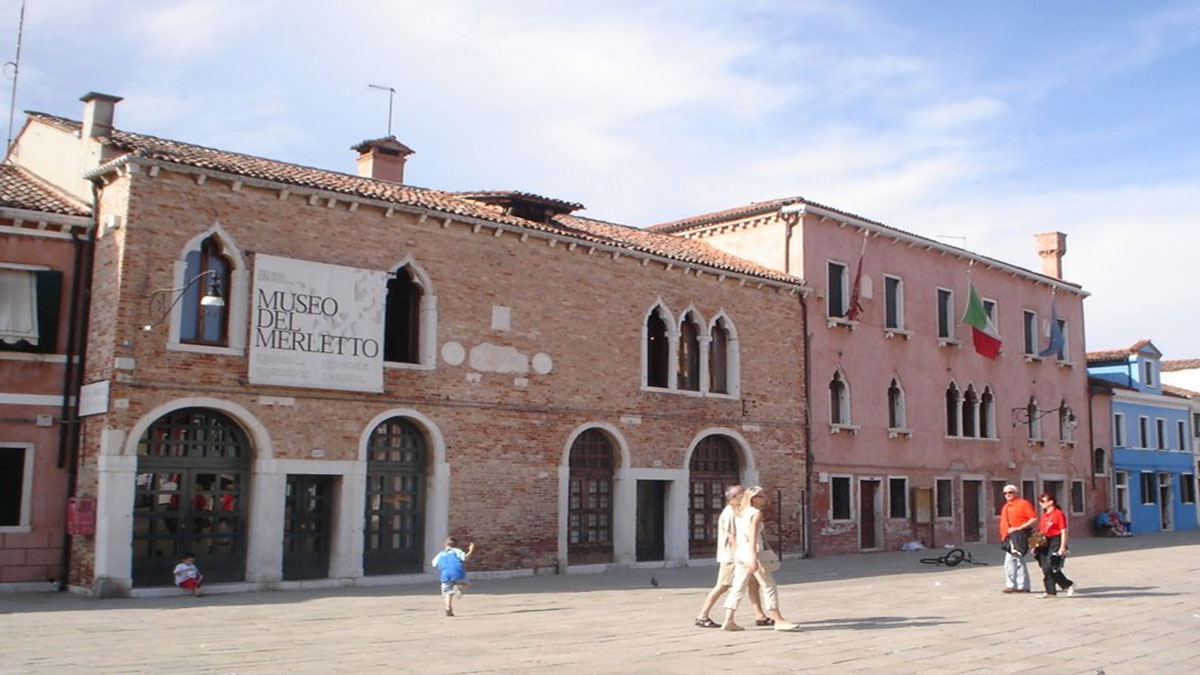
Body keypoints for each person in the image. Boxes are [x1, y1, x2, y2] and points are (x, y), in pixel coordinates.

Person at [720, 487, 800, 632]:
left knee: (738, 587)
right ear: (753, 498)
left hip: (740, 552)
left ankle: (728, 620)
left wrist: (742, 553)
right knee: (768, 585)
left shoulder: (740, 512)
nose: (764, 497)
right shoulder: (756, 513)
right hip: (753, 551)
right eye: (761, 495)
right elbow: (753, 537)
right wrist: (753, 558)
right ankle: (778, 620)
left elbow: (736, 535)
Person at [694, 485, 770, 628]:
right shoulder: (730, 512)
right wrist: (741, 555)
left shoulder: (739, 511)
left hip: (740, 555)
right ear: (734, 498)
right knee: (723, 585)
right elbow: (732, 537)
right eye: (742, 494)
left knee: (753, 584)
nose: (746, 496)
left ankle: (760, 616)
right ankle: (702, 616)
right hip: (731, 557)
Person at [1034, 493, 1077, 598]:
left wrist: (1063, 546)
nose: (1041, 504)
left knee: (1052, 565)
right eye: (1040, 501)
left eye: (1043, 501)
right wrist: (1035, 545)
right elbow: (1041, 531)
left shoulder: (1058, 514)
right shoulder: (1044, 516)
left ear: (1051, 502)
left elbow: (1063, 531)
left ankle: (1068, 584)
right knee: (1044, 566)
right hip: (1044, 541)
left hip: (1056, 540)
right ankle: (1050, 591)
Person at [998, 484, 1037, 593]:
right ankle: (1022, 585)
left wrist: (1018, 528)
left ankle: (1015, 585)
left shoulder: (1023, 504)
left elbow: (1033, 519)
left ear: (1016, 493)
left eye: (1010, 492)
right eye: (1005, 493)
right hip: (1009, 537)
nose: (1007, 495)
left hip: (1020, 536)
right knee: (1017, 560)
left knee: (1012, 560)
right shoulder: (1005, 507)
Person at [431, 536, 475, 616]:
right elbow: (465, 558)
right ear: (456, 544)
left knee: (447, 592)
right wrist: (471, 550)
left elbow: (434, 563)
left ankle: (448, 608)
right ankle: (458, 587)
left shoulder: (441, 553)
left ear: (445, 544)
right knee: (466, 584)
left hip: (445, 574)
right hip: (458, 572)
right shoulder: (457, 551)